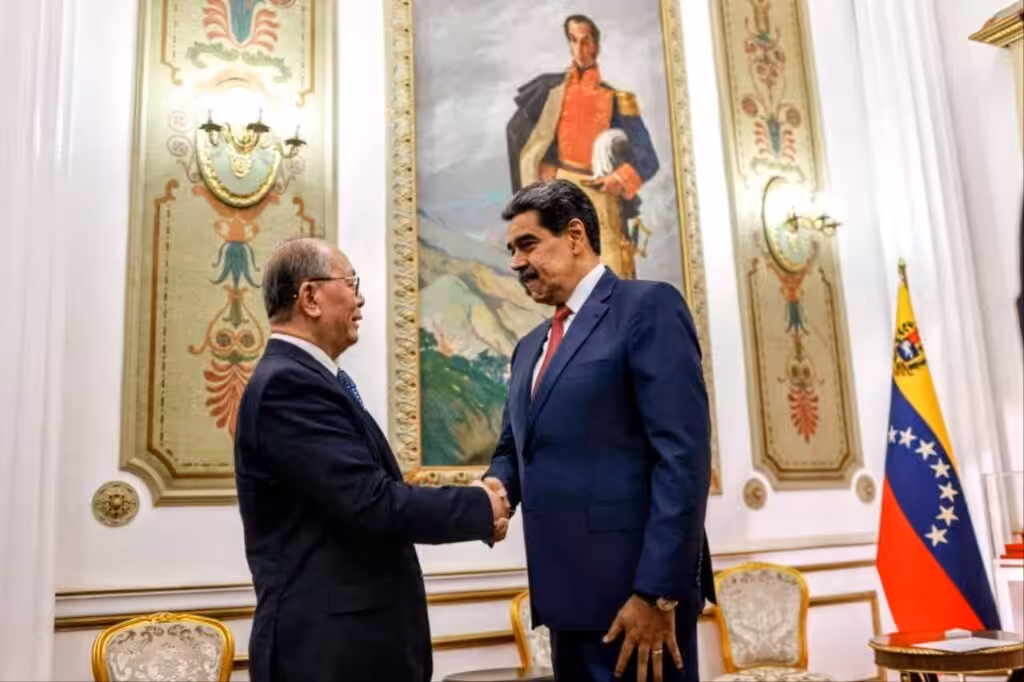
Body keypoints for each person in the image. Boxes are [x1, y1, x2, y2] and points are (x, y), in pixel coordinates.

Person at [234, 237, 510, 682]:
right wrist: (481, 506)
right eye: (350, 282)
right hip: (329, 653)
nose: (360, 298)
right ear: (310, 297)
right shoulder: (289, 385)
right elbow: (371, 502)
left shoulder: (311, 379)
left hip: (351, 646)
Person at [484, 179, 715, 682]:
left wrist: (657, 593)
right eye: (511, 251)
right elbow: (515, 448)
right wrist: (495, 489)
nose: (516, 263)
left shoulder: (647, 307)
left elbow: (682, 459)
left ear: (574, 235)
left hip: (638, 603)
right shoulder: (528, 347)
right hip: (564, 601)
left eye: (527, 245)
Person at [506, 14, 660, 279]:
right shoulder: (551, 90)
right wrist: (543, 167)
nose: (579, 49)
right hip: (560, 192)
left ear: (596, 45)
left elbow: (648, 158)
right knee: (561, 276)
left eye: (585, 41)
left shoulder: (615, 98)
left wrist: (618, 180)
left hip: (601, 193)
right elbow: (518, 132)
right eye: (574, 41)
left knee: (609, 273)